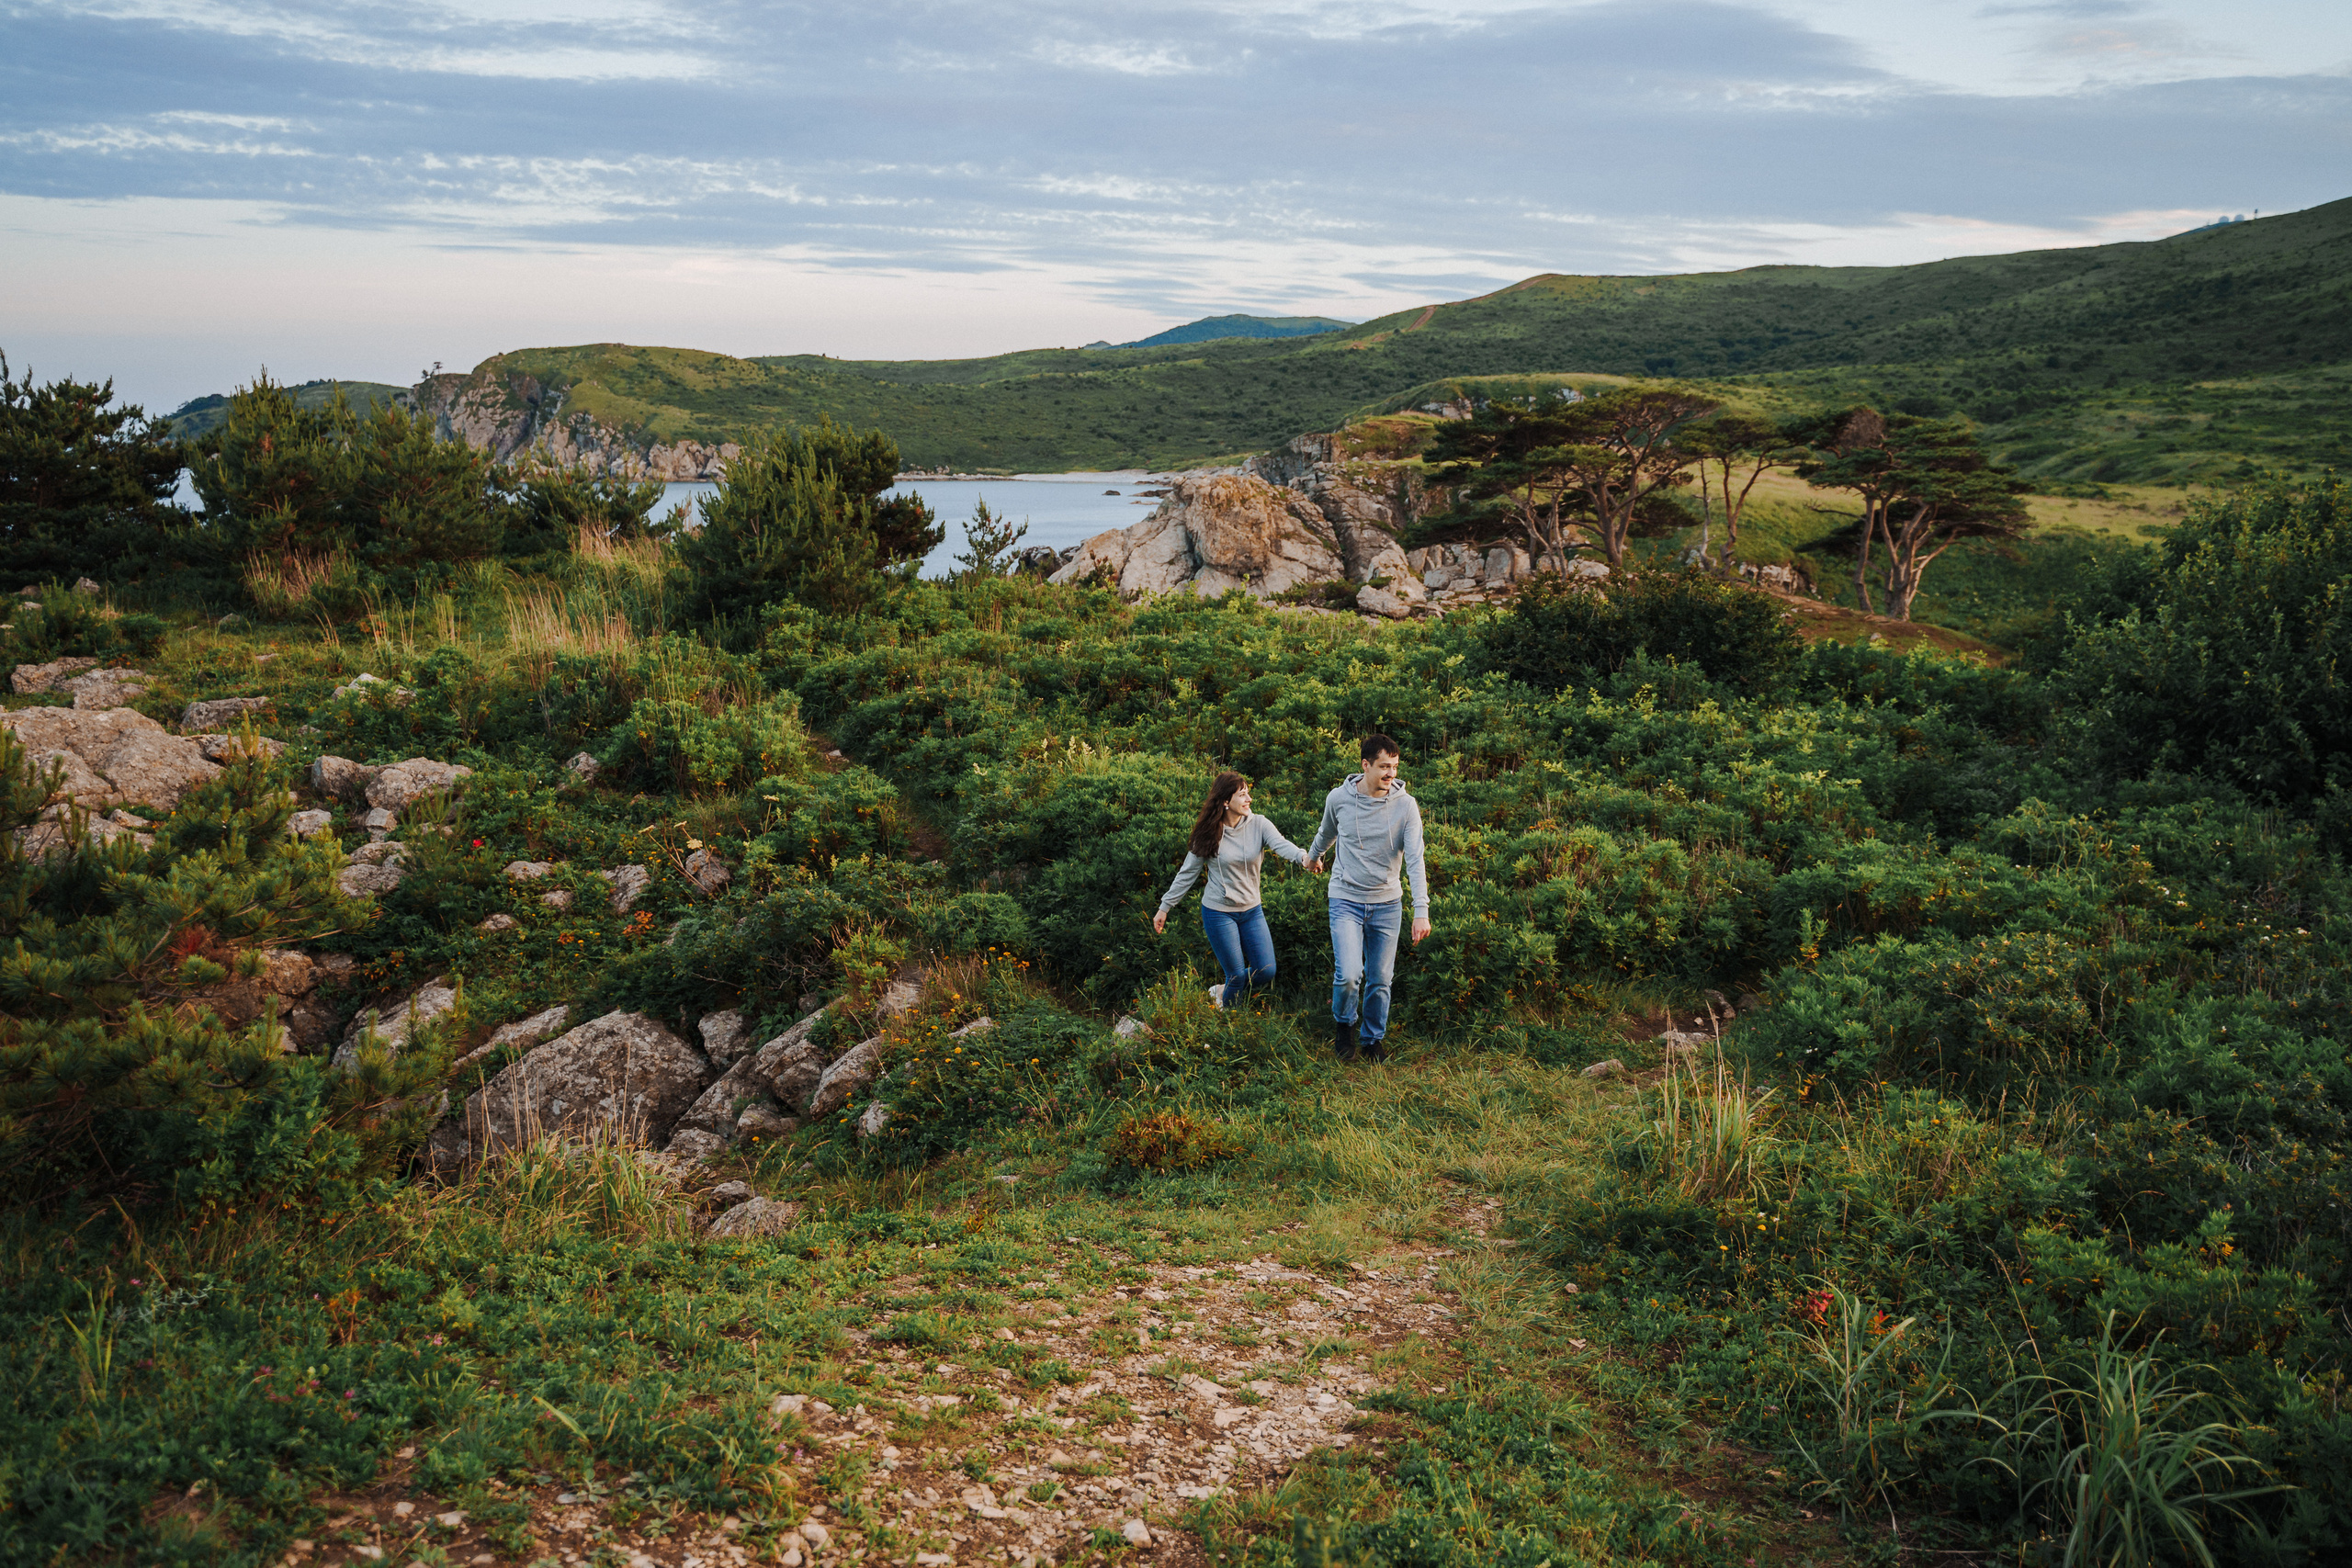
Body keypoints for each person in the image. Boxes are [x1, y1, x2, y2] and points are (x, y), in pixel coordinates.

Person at [1305, 733, 1431, 1062]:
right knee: (1348, 974)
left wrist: (1422, 910)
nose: (1391, 774)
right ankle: (1344, 1026)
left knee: (1381, 978)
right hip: (1345, 898)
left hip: (1387, 904)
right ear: (1365, 765)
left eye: (1395, 767)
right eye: (1384, 767)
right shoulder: (1339, 798)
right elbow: (1327, 832)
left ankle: (1372, 1039)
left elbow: (1416, 859)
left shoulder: (1406, 806)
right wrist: (1313, 856)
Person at [1151, 772, 1313, 1009]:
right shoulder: (1208, 833)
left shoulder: (1259, 824)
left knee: (1266, 970)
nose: (1249, 799)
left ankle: (1221, 990)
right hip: (1219, 912)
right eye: (1242, 794)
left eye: (1248, 793)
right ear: (1226, 801)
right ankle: (1228, 1021)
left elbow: (1281, 845)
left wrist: (1303, 858)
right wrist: (1165, 907)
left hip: (1251, 910)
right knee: (1236, 975)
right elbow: (1187, 873)